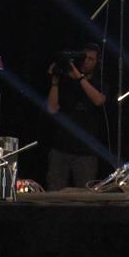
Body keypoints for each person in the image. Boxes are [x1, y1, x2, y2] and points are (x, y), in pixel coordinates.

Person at [45, 42, 106, 190]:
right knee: (54, 194)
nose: (86, 61)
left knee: (85, 196)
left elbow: (99, 100)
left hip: (86, 151)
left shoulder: (98, 81)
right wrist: (55, 82)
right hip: (61, 147)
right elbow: (52, 109)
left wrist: (79, 77)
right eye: (84, 58)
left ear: (97, 62)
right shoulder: (66, 79)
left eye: (91, 59)